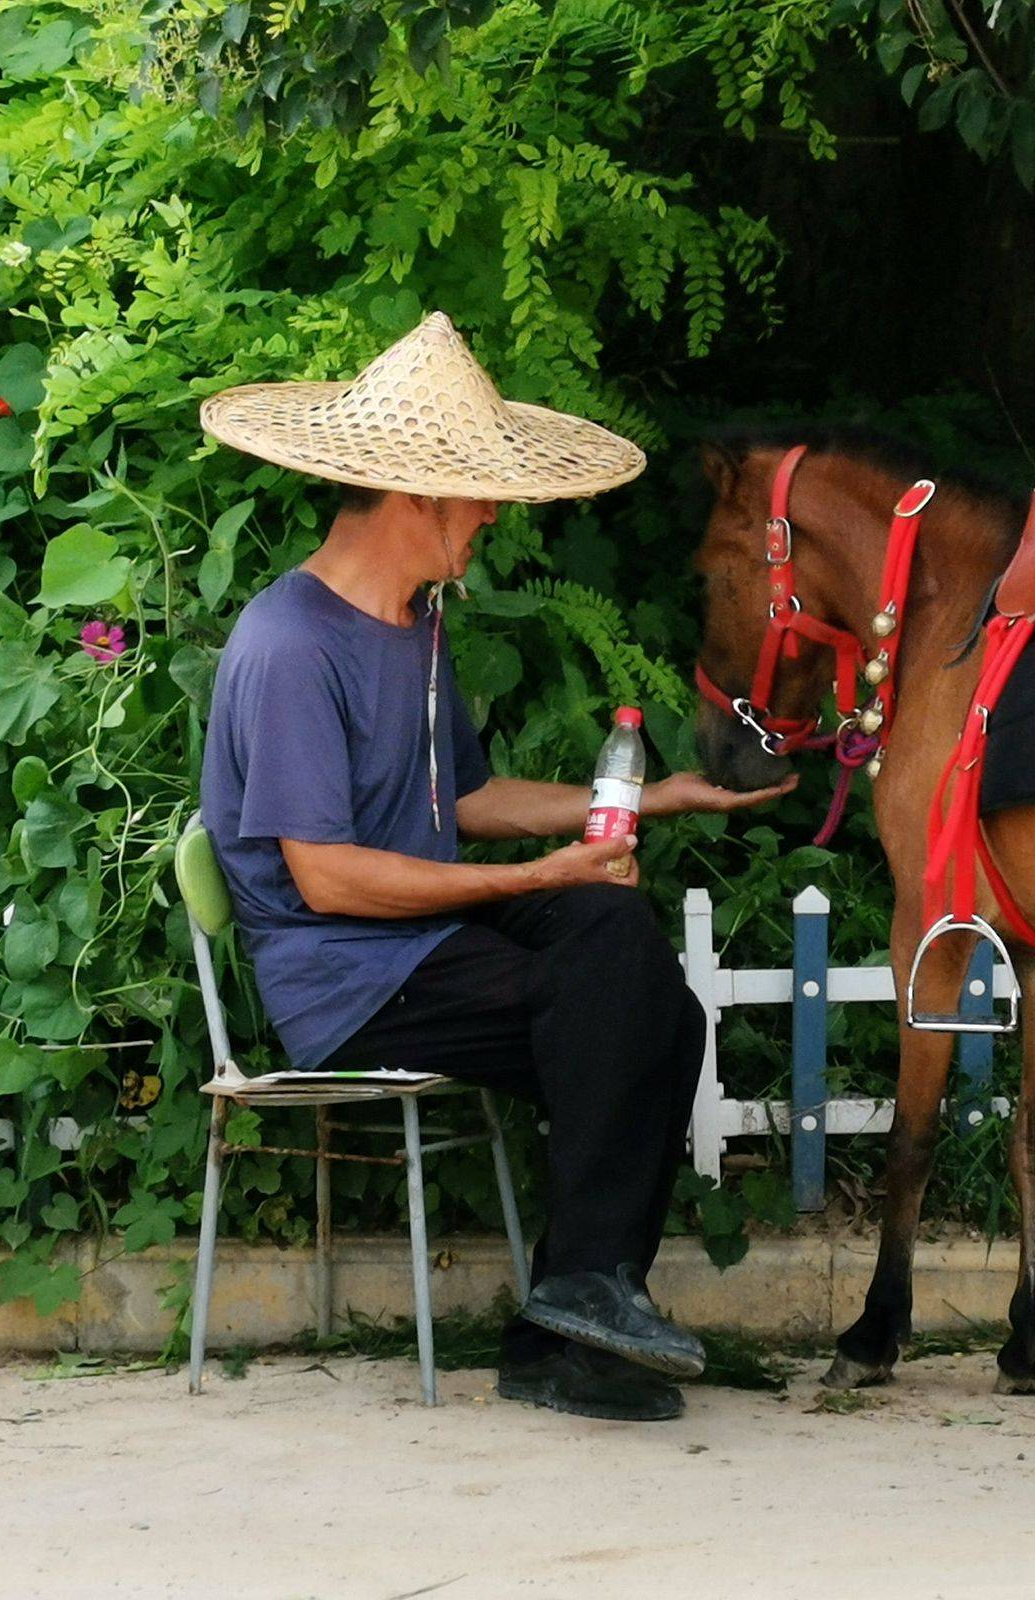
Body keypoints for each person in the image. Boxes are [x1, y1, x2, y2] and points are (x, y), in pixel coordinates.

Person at [196, 314, 790, 1421]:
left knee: (656, 998)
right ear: (416, 496)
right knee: (616, 987)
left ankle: (574, 1311)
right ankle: (572, 1322)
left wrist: (648, 798)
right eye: (478, 495)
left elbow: (460, 801)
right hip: (346, 975)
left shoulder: (416, 624)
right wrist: (538, 881)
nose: (495, 518)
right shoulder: (288, 647)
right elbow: (325, 880)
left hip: (424, 943)